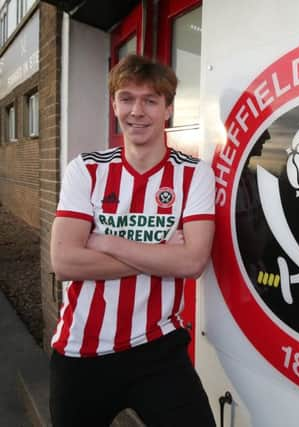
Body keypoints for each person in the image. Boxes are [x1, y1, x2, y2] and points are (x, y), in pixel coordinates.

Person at [49, 54, 217, 427]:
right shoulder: (87, 169)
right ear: (114, 105)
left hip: (159, 347)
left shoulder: (193, 174)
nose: (136, 111)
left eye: (150, 101)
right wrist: (162, 254)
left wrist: (105, 241)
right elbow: (65, 263)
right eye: (126, 98)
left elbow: (192, 263)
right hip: (82, 350)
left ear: (168, 109)